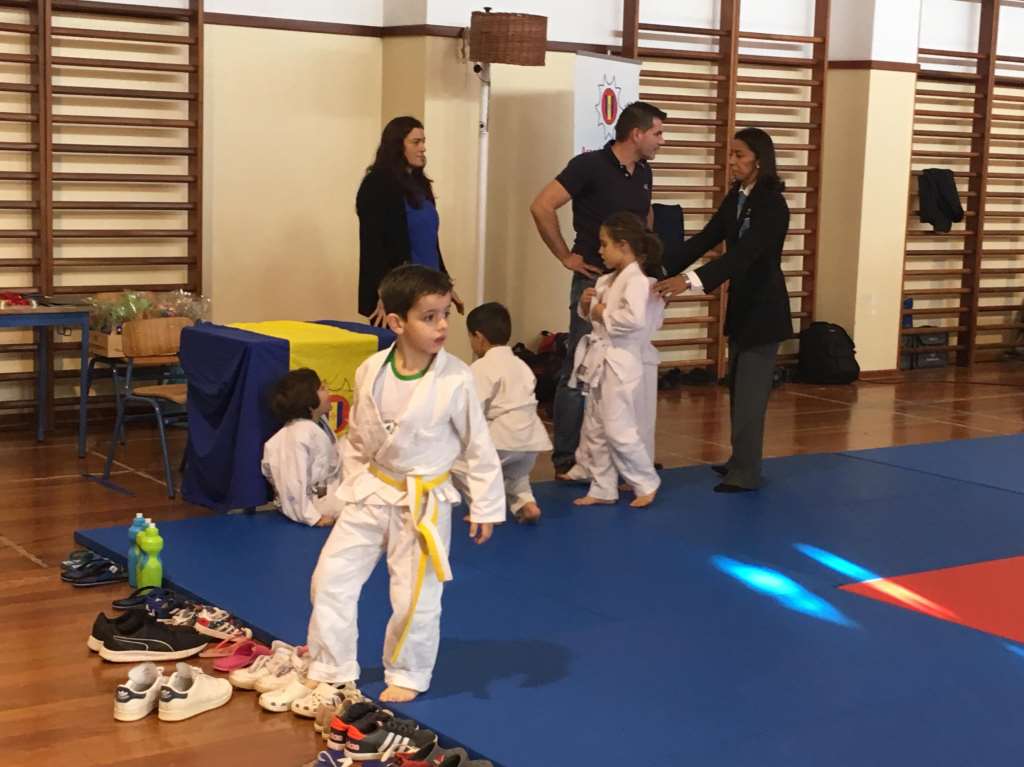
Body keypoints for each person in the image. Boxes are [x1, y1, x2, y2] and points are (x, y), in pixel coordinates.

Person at [304, 265, 504, 706]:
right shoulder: (371, 369)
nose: (442, 326)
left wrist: (485, 506)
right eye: (429, 317)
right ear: (396, 322)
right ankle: (332, 665)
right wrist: (349, 486)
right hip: (371, 490)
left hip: (424, 500)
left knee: (414, 596)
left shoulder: (456, 378)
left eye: (445, 314)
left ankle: (408, 671)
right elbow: (359, 438)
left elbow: (478, 445)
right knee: (330, 578)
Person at [530, 101, 666, 476]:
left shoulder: (644, 172)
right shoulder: (588, 166)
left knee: (627, 368)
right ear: (636, 134)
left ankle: (621, 453)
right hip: (594, 278)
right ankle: (567, 457)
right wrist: (565, 256)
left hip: (631, 279)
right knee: (581, 366)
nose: (662, 141)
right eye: (657, 133)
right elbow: (542, 206)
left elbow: (646, 216)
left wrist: (648, 265)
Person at [654, 127, 792, 493]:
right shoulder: (737, 197)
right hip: (743, 306)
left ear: (759, 160)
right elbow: (706, 238)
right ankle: (739, 459)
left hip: (765, 310)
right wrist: (661, 269)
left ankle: (747, 473)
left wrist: (689, 281)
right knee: (739, 388)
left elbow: (744, 255)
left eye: (739, 155)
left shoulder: (772, 205)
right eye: (731, 154)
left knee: (751, 396)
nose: (731, 161)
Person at [566, 212, 665, 508]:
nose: (600, 250)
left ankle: (645, 480)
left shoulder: (638, 281)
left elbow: (634, 320)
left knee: (617, 427)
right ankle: (602, 487)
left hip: (622, 360)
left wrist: (600, 312)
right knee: (594, 427)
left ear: (623, 245)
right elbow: (593, 317)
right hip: (600, 357)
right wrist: (586, 306)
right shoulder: (607, 279)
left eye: (604, 244)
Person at [356, 116, 464, 327]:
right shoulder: (376, 184)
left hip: (428, 290)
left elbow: (429, 242)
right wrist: (385, 294)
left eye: (423, 141)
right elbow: (374, 246)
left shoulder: (419, 184)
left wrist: (445, 282)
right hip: (400, 293)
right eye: (416, 142)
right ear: (397, 146)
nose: (423, 148)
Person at [464, 301, 552, 524]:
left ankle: (485, 510)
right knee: (518, 476)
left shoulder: (481, 367)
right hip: (531, 438)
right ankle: (527, 504)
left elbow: (473, 409)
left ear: (478, 337)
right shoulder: (521, 364)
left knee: (467, 467)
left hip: (503, 437)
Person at [261, 368, 344, 527]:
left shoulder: (318, 425)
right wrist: (312, 517)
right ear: (308, 399)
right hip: (312, 505)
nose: (328, 392)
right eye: (322, 388)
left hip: (328, 494)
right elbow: (292, 481)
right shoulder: (297, 434)